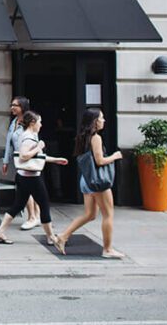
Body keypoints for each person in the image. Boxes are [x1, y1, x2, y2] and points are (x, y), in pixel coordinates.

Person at [55, 108, 125, 259]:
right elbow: (100, 161)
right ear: (95, 121)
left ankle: (63, 236)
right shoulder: (96, 138)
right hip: (98, 181)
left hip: (86, 179)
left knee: (90, 214)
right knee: (108, 215)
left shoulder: (83, 137)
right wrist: (115, 156)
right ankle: (107, 250)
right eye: (101, 118)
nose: (104, 120)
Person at [0, 111, 68, 246]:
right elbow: (24, 156)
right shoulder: (28, 138)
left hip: (23, 176)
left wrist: (55, 160)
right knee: (44, 205)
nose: (41, 124)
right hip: (31, 178)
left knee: (18, 205)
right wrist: (39, 146)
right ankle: (50, 237)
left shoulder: (27, 135)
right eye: (39, 122)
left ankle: (0, 232)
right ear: (33, 123)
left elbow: (35, 158)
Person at [2, 96, 41, 230]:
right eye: (11, 105)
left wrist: (34, 153)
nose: (12, 107)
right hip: (19, 159)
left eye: (15, 105)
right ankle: (35, 216)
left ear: (22, 107)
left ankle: (32, 217)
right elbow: (8, 142)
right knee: (30, 188)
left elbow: (35, 138)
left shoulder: (29, 121)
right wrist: (5, 161)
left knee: (27, 188)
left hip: (28, 158)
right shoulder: (14, 122)